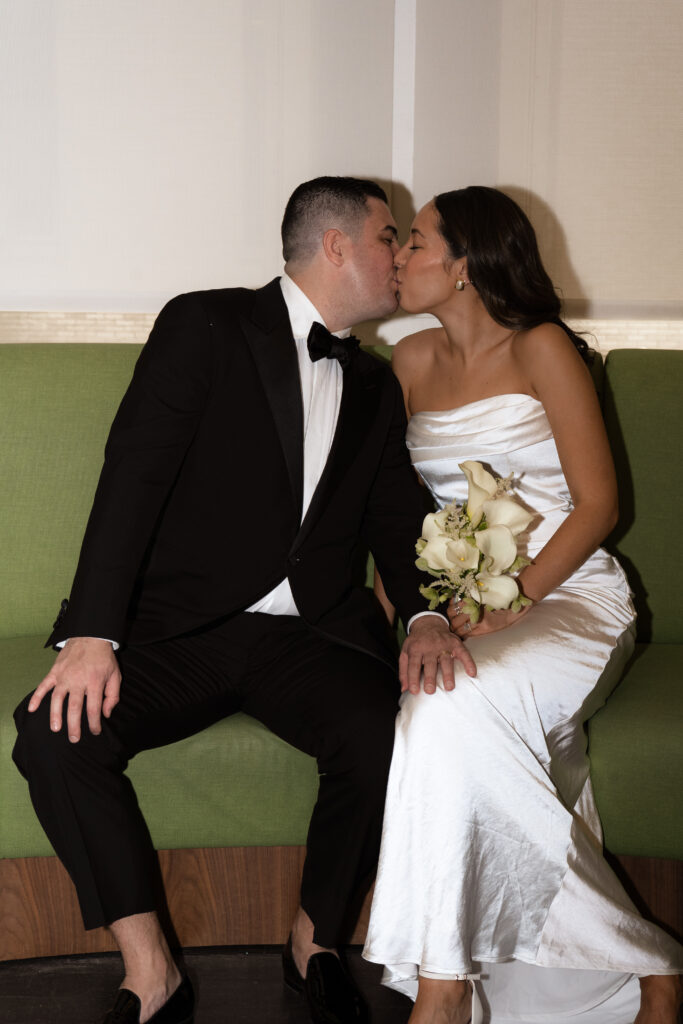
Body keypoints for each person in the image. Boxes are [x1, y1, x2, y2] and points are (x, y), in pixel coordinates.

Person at [12, 176, 476, 1024]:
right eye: (389, 237)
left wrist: (425, 615)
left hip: (309, 638)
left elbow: (391, 515)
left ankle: (315, 939)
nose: (400, 253)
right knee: (52, 735)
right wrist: (90, 632)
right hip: (180, 632)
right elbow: (134, 476)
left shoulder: (372, 383)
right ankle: (151, 971)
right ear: (336, 245)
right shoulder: (207, 323)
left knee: (389, 731)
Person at [362, 186, 683, 1024]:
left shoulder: (541, 347)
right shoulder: (406, 363)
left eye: (417, 243)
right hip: (465, 607)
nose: (398, 256)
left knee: (440, 710)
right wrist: (416, 613)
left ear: (466, 266)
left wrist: (516, 598)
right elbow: (393, 511)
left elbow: (596, 505)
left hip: (571, 595)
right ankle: (639, 963)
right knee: (438, 711)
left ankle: (440, 989)